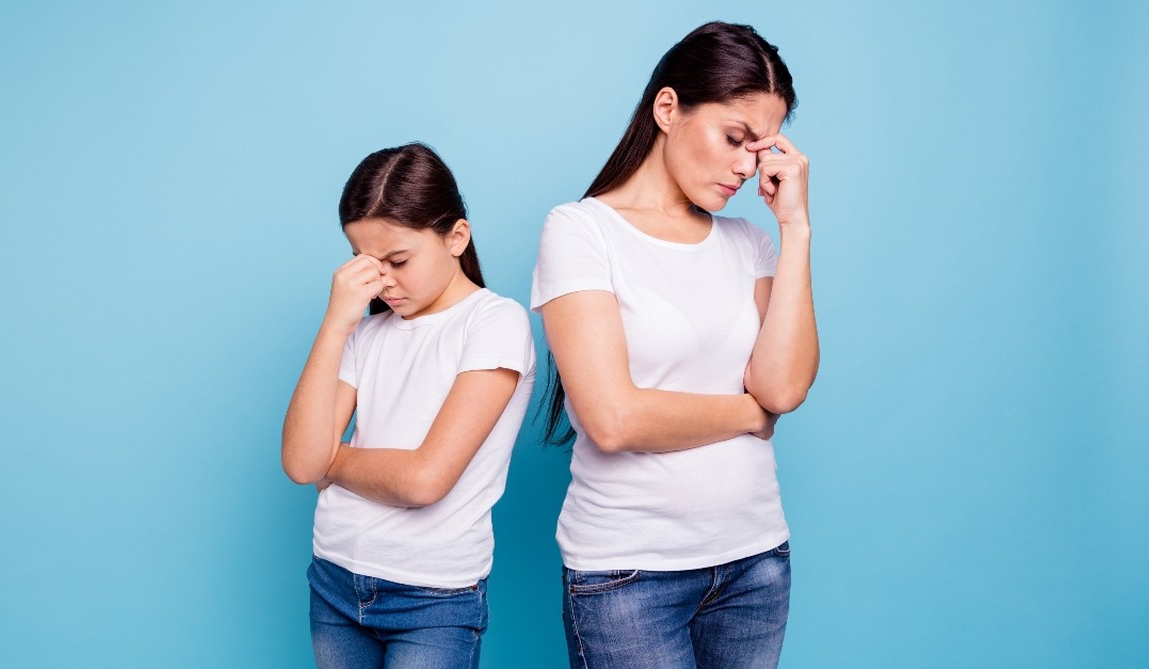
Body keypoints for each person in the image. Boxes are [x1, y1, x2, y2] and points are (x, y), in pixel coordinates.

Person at [531, 22, 819, 668]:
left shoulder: (750, 242)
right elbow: (613, 418)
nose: (747, 166)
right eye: (734, 138)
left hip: (756, 563)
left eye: (761, 149)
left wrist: (795, 226)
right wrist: (747, 414)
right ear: (668, 108)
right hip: (631, 577)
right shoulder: (581, 231)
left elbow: (783, 387)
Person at [282, 142, 536, 668]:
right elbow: (300, 463)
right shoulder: (365, 332)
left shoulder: (493, 323)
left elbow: (424, 481)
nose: (383, 281)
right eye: (364, 264)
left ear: (456, 237)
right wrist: (336, 323)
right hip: (333, 578)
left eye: (398, 260)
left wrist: (335, 460)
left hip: (432, 596)